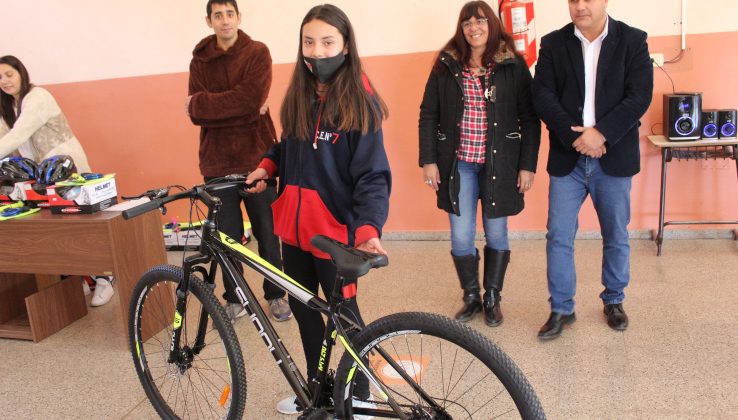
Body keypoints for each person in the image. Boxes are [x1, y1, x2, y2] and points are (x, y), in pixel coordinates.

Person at [245, 4, 391, 415]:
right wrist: (267, 165)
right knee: (306, 313)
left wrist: (367, 230)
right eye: (309, 42)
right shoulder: (299, 93)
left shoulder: (360, 102)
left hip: (333, 236)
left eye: (328, 42)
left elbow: (373, 176)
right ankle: (316, 388)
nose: (318, 51)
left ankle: (360, 393)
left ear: (346, 45)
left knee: (344, 317)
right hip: (292, 233)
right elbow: (286, 145)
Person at [533, 0, 653, 340]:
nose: (580, 6)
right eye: (573, 0)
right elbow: (542, 94)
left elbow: (639, 95)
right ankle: (561, 309)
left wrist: (601, 134)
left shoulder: (632, 40)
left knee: (615, 234)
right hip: (568, 157)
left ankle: (614, 300)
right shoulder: (553, 43)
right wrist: (576, 138)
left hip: (612, 156)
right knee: (558, 235)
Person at [418, 1, 540, 327]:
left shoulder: (512, 65)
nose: (474, 28)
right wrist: (429, 161)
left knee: (497, 232)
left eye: (480, 21)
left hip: (500, 164)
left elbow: (530, 119)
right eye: (467, 23)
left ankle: (492, 297)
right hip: (459, 165)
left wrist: (527, 166)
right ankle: (471, 296)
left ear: (492, 24)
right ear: (461, 28)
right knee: (460, 237)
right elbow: (428, 115)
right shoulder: (446, 65)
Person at [187, 0, 291, 322]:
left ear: (238, 17)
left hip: (257, 158)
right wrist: (243, 109)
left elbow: (251, 98)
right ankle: (234, 297)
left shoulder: (257, 52)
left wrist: (213, 108)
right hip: (216, 163)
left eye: (229, 14)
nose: (224, 20)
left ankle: (276, 294)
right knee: (228, 238)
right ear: (209, 21)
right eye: (218, 15)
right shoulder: (200, 59)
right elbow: (196, 111)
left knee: (267, 234)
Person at [0, 55, 114, 307]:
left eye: (9, 74)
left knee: (84, 226)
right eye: (0, 78)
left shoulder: (38, 97)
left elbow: (18, 135)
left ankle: (105, 278)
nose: (5, 81)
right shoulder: (11, 105)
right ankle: (83, 278)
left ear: (21, 73)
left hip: (67, 168)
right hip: (43, 177)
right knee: (62, 229)